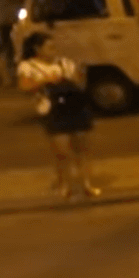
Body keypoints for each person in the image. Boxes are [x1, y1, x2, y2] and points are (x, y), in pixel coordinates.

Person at [17, 32, 99, 202]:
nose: (53, 50)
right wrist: (46, 80)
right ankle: (65, 185)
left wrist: (79, 75)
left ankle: (86, 184)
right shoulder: (28, 66)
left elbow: (78, 83)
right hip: (53, 111)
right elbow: (24, 86)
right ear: (37, 49)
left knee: (81, 149)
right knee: (62, 151)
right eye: (49, 47)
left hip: (74, 107)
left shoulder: (64, 63)